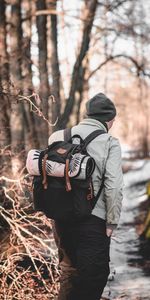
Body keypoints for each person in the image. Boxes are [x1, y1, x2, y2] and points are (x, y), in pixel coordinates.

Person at [48, 93, 124, 300]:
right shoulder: (109, 142)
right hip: (94, 221)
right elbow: (114, 186)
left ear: (86, 114)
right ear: (109, 120)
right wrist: (112, 221)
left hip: (61, 219)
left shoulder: (57, 137)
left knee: (69, 272)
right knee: (95, 275)